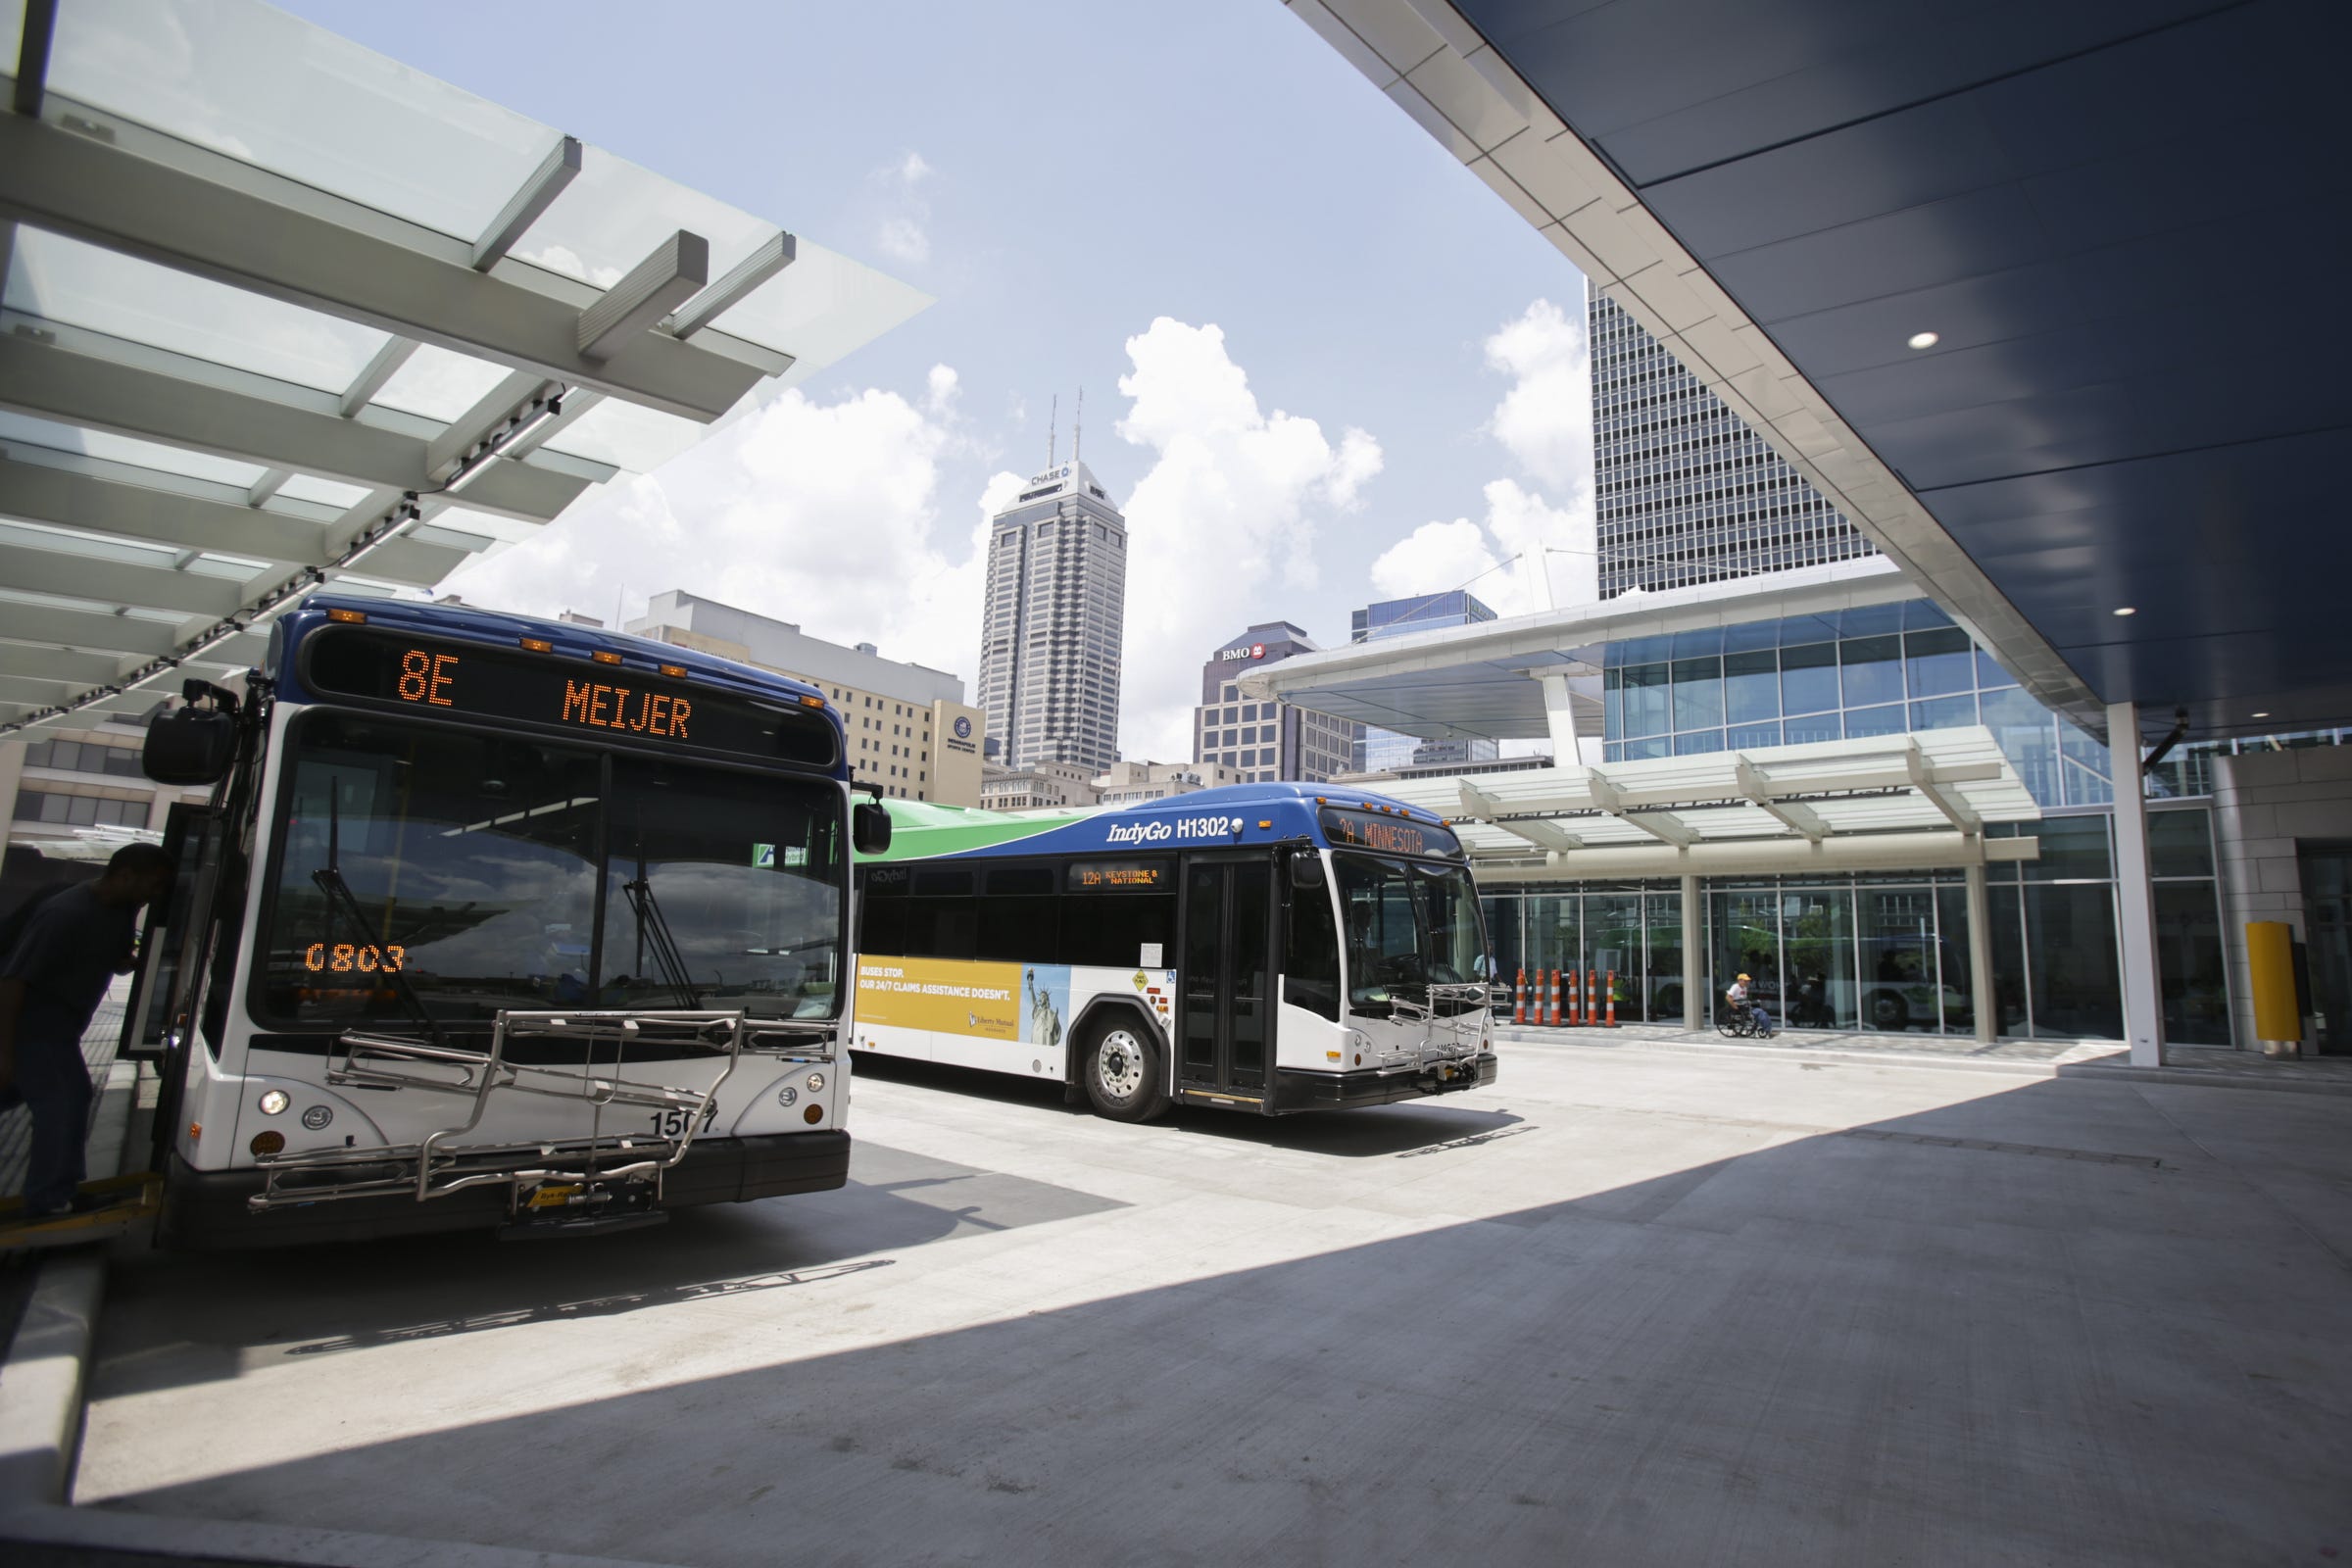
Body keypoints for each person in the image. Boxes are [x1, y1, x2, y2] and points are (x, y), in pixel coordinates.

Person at [0, 843, 176, 1217]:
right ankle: (49, 1199)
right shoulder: (64, 914)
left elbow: (114, 956)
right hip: (33, 1027)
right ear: (125, 875)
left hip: (62, 1028)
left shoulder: (124, 908)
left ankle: (57, 1189)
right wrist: (5, 1051)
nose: (154, 895)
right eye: (153, 884)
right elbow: (13, 981)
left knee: (47, 1095)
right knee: (64, 1100)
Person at [1724, 971, 1773, 1036]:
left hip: (1745, 1007)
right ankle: (1767, 1030)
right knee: (1761, 1012)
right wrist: (1734, 1006)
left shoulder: (1744, 988)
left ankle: (1767, 1029)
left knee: (1762, 1013)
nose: (1747, 982)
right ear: (1739, 980)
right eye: (1745, 981)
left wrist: (1748, 1002)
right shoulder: (1735, 986)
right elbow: (1728, 997)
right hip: (1740, 1008)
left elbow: (1744, 998)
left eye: (1748, 981)